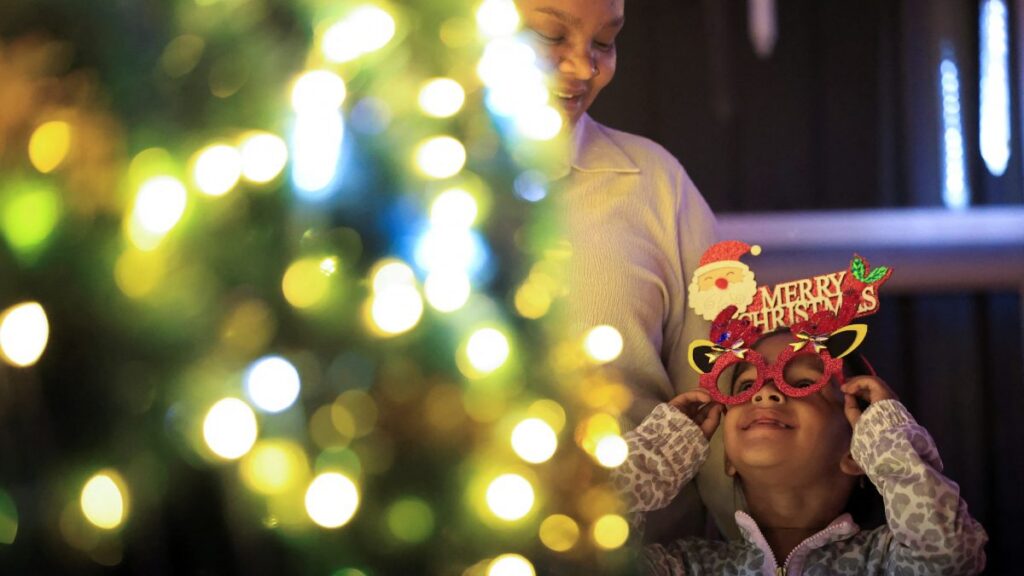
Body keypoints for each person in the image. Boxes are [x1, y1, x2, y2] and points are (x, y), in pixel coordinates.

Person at [512, 0, 729, 541]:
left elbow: (720, 409)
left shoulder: (654, 182)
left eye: (605, 42)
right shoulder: (380, 190)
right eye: (551, 36)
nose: (584, 68)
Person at [615, 325, 989, 575]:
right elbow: (587, 556)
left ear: (860, 450)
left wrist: (890, 435)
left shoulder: (883, 564)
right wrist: (652, 458)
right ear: (727, 458)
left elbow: (948, 554)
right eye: (746, 385)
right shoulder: (690, 567)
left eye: (803, 382)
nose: (765, 393)